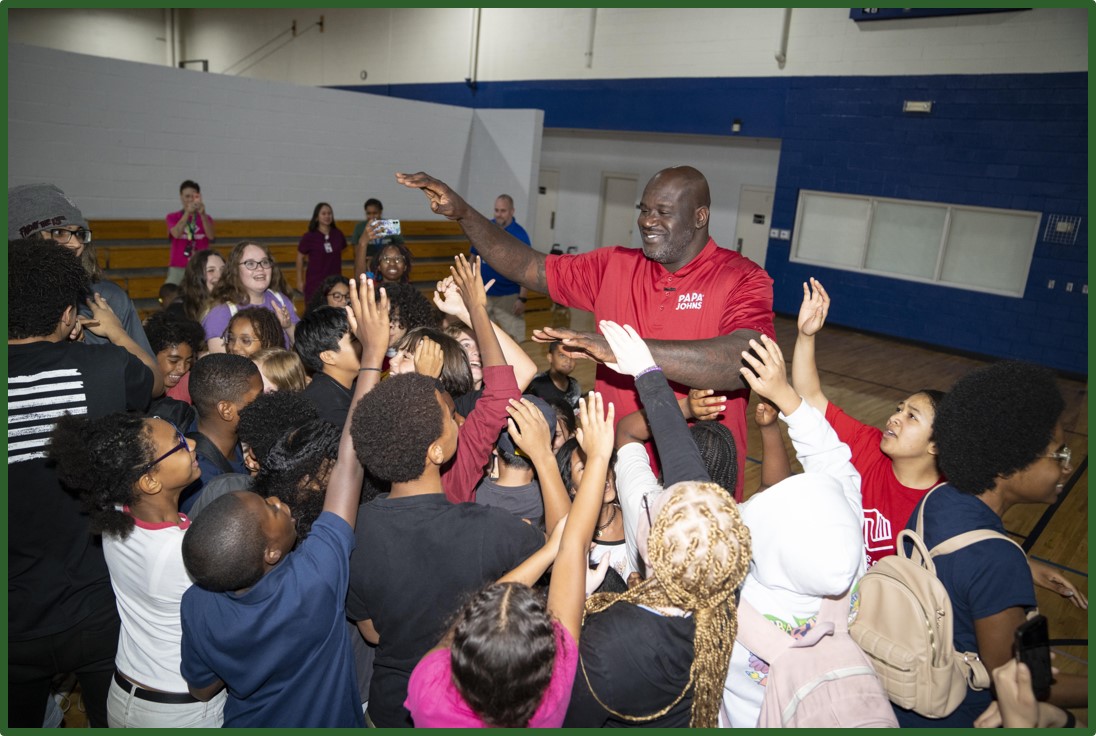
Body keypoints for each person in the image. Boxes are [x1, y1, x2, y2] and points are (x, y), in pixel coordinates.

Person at [396, 167, 775, 501]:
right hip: (614, 472)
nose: (647, 221)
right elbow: (529, 265)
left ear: (700, 216)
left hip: (699, 478)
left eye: (662, 212)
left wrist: (622, 351)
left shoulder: (742, 277)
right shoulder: (615, 265)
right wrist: (464, 213)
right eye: (644, 209)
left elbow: (745, 359)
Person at [792, 278, 1086, 602]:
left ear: (937, 444)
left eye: (911, 416)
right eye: (898, 409)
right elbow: (810, 396)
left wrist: (1028, 566)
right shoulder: (867, 444)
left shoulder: (948, 498)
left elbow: (973, 538)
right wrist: (806, 336)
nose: (894, 418)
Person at [178, 277, 389, 728]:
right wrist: (374, 355)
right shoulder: (313, 580)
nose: (280, 503)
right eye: (273, 511)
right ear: (272, 553)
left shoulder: (197, 604)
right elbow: (349, 466)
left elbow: (201, 686)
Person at [562, 323, 752, 728]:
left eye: (658, 507)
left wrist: (570, 607)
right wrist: (647, 373)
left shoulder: (611, 643)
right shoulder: (722, 577)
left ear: (651, 548)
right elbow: (687, 469)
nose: (655, 497)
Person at [7, 240, 158, 728]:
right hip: (97, 604)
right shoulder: (103, 368)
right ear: (69, 312)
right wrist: (115, 333)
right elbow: (153, 382)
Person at [893, 360, 1087, 728]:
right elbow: (1021, 688)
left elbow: (958, 564)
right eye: (1059, 453)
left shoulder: (940, 498)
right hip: (955, 714)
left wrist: (1024, 567)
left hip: (904, 691)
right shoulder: (998, 561)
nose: (1067, 467)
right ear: (1007, 465)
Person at [404, 393, 614, 728]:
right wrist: (596, 456)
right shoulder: (551, 697)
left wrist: (548, 551)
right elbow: (574, 546)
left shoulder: (428, 690)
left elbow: (450, 636)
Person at [49, 414, 226, 727]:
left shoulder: (117, 519)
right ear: (149, 481)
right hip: (180, 710)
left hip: (122, 694)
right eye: (180, 444)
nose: (194, 443)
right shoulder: (183, 552)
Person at [9, 182, 157, 360]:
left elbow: (149, 380)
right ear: (24, 241)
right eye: (58, 232)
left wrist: (112, 334)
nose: (76, 244)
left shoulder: (108, 299)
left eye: (79, 233)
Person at [178, 354, 263, 514]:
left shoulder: (227, 433)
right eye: (257, 400)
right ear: (226, 410)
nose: (265, 405)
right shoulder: (204, 482)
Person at [202, 241, 299, 353]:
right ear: (235, 270)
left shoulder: (280, 300)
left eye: (265, 262)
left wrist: (288, 327)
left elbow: (302, 348)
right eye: (250, 264)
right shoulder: (221, 313)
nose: (260, 268)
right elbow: (222, 367)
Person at [472, 194, 532, 343]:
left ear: (512, 211)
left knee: (514, 340)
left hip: (508, 297)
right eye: (496, 210)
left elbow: (527, 270)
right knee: (481, 338)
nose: (499, 214)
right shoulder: (485, 228)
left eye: (503, 211)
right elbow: (472, 258)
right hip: (484, 294)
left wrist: (522, 299)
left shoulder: (520, 235)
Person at [296, 306, 363, 426]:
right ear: (328, 356)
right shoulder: (327, 408)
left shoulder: (352, 384)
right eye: (355, 339)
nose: (364, 342)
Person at [143, 311, 205, 405]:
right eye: (174, 361)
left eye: (188, 361)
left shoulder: (186, 384)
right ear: (151, 354)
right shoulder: (137, 386)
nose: (182, 369)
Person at [166, 180, 216, 285]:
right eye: (187, 196)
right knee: (171, 292)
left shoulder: (207, 218)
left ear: (198, 196)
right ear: (181, 196)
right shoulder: (172, 217)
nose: (189, 200)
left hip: (200, 265)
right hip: (178, 265)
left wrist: (203, 215)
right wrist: (187, 213)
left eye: (193, 196)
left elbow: (211, 236)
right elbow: (176, 234)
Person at [296, 202, 348, 301]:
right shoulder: (309, 236)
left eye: (329, 213)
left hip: (335, 282)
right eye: (323, 214)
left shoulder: (338, 234)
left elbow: (342, 249)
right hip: (315, 283)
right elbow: (300, 257)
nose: (327, 216)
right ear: (316, 217)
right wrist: (299, 280)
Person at [352, 197, 405, 278]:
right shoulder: (360, 227)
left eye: (375, 213)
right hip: (367, 267)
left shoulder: (389, 226)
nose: (372, 216)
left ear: (380, 212)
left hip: (387, 266)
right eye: (368, 213)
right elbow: (357, 253)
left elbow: (401, 249)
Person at [172, 249, 225, 323]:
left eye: (223, 270)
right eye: (211, 270)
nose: (219, 276)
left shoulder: (231, 304)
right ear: (196, 276)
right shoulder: (179, 310)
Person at [527, 340, 582, 409]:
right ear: (550, 357)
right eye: (562, 355)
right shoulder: (536, 383)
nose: (568, 361)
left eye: (573, 357)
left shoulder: (575, 386)